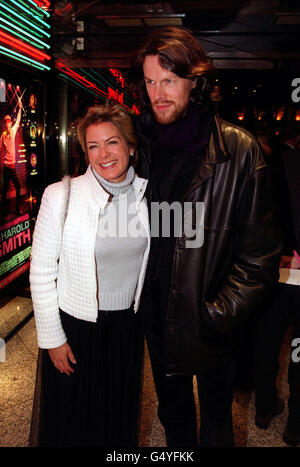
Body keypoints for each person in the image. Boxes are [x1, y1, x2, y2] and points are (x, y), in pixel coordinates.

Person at [128, 26, 282, 447]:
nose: (158, 92)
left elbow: (261, 258)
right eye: (150, 80)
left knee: (216, 426)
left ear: (194, 82)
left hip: (213, 323)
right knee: (173, 419)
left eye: (170, 80)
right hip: (157, 320)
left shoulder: (239, 151)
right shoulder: (141, 146)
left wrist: (216, 315)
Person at [29, 103, 150, 447]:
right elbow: (40, 272)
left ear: (130, 145)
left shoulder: (146, 195)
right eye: (93, 146)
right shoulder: (61, 195)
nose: (104, 154)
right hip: (76, 328)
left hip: (127, 326)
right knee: (73, 422)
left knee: (116, 417)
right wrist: (52, 338)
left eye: (112, 142)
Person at [254, 129, 300, 445]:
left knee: (267, 342)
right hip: (286, 268)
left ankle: (265, 407)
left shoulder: (272, 166)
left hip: (275, 270)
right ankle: (296, 424)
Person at [0, 96, 22, 216]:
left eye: (9, 122)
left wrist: (20, 105)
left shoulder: (13, 131)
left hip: (12, 167)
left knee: (17, 187)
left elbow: (18, 117)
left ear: (11, 123)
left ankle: (17, 209)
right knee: (4, 191)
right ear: (5, 124)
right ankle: (3, 211)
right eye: (6, 122)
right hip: (6, 167)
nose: (8, 124)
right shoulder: (3, 136)